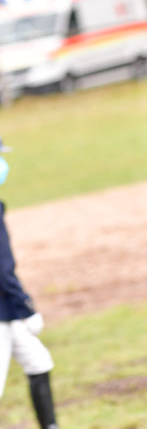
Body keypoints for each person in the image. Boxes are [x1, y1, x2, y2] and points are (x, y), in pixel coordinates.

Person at [0, 139, 59, 429]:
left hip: (7, 311)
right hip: (5, 312)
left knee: (38, 362)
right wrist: (25, 307)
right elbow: (3, 269)